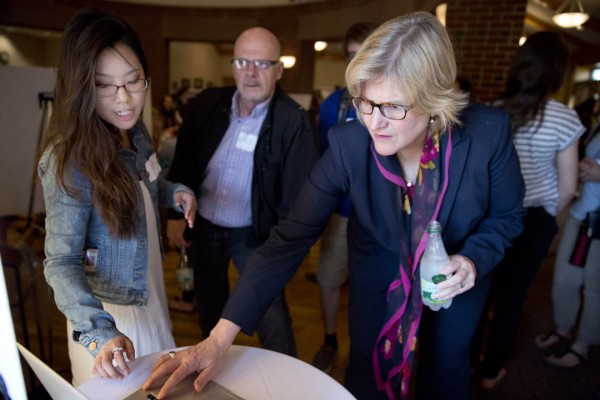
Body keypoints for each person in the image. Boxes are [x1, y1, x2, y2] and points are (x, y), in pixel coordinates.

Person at [145, 11, 525, 400]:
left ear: (435, 98)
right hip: (378, 277)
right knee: (367, 370)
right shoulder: (349, 143)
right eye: (366, 102)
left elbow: (507, 217)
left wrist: (472, 260)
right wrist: (218, 338)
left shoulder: (487, 134)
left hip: (454, 286)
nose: (375, 122)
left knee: (445, 372)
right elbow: (290, 237)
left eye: (394, 106)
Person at [37, 8, 196, 386]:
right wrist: (100, 332)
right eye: (104, 85)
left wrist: (175, 192)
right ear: (81, 88)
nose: (124, 99)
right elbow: (60, 263)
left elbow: (147, 183)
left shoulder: (134, 131)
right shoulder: (69, 158)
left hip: (149, 296)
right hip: (110, 322)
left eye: (133, 81)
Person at [165, 26, 319, 355]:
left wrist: (277, 249)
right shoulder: (207, 104)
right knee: (209, 309)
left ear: (278, 70)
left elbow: (296, 199)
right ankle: (212, 372)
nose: (250, 72)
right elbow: (184, 163)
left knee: (271, 317)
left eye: (262, 64)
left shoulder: (293, 122)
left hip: (255, 236)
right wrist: (174, 214)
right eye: (242, 62)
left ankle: (284, 384)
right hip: (203, 226)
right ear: (233, 66)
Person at [477, 31, 585, 390]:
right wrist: (549, 219)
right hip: (534, 220)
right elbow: (568, 188)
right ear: (557, 73)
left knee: (480, 291)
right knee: (512, 297)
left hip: (491, 217)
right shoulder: (564, 119)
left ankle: (464, 364)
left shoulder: (491, 111)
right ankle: (491, 373)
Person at [311, 21, 376, 373]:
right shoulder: (333, 106)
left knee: (373, 282)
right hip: (342, 211)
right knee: (328, 277)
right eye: (353, 55)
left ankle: (367, 347)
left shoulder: (398, 98)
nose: (359, 62)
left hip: (383, 214)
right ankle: (330, 338)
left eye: (366, 52)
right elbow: (325, 159)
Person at [533, 122, 600, 369]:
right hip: (583, 212)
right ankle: (564, 331)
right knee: (564, 278)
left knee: (595, 287)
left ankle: (583, 344)